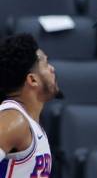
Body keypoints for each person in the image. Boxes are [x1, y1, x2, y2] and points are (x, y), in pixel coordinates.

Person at [0, 34, 58, 178]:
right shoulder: (13, 121)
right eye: (45, 63)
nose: (52, 68)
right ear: (32, 79)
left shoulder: (28, 122)